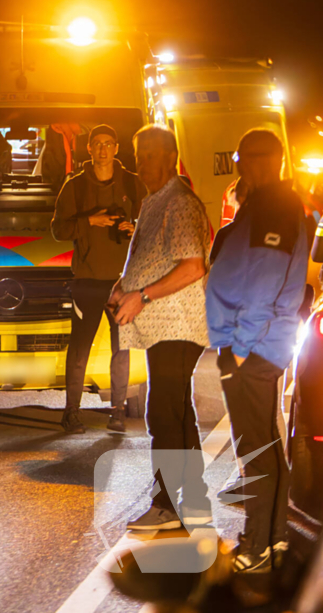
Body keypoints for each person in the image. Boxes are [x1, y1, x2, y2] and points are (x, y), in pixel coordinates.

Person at [206, 129, 308, 575]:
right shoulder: (274, 204)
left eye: (243, 157)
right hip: (261, 344)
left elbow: (264, 278)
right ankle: (276, 537)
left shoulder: (273, 206)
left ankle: (256, 545)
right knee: (265, 444)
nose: (240, 165)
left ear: (263, 160)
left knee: (255, 450)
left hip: (253, 347)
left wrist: (242, 349)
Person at [109, 124, 213, 531]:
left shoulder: (181, 202)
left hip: (178, 323)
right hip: (164, 327)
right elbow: (155, 255)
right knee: (178, 411)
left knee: (162, 413)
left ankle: (165, 506)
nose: (143, 161)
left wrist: (143, 295)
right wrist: (124, 285)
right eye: (139, 153)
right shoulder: (155, 199)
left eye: (151, 153)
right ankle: (196, 494)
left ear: (171, 156)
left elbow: (192, 266)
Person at [51, 124, 144, 434]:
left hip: (124, 282)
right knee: (80, 349)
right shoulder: (74, 186)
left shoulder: (133, 184)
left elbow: (153, 226)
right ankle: (71, 412)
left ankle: (117, 413)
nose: (103, 149)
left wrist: (135, 229)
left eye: (109, 143)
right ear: (88, 149)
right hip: (88, 281)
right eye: (97, 144)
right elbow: (58, 230)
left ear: (117, 148)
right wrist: (91, 220)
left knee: (122, 349)